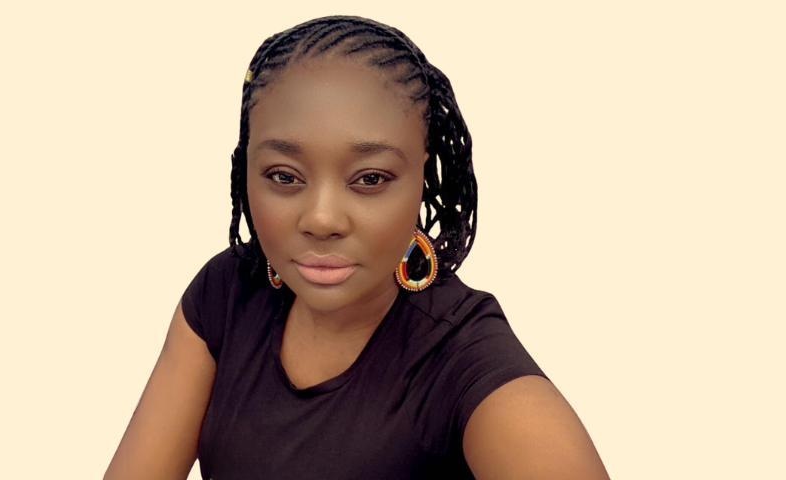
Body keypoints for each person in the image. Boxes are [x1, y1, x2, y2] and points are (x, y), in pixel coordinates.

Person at [104, 15, 609, 480]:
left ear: (423, 177)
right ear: (245, 171)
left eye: (369, 178)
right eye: (284, 176)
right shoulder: (227, 294)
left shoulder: (463, 360)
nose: (321, 219)